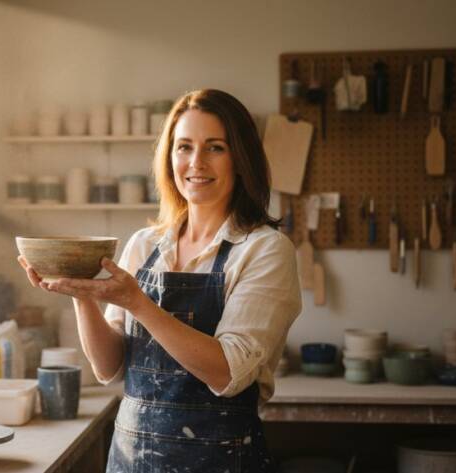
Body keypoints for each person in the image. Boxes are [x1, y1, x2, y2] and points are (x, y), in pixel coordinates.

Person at [18, 89, 302, 472]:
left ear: (241, 157)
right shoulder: (145, 244)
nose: (196, 162)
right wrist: (80, 292)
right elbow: (109, 367)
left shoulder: (264, 250)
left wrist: (138, 303)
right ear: (169, 158)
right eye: (183, 147)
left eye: (215, 147)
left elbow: (228, 372)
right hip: (131, 460)